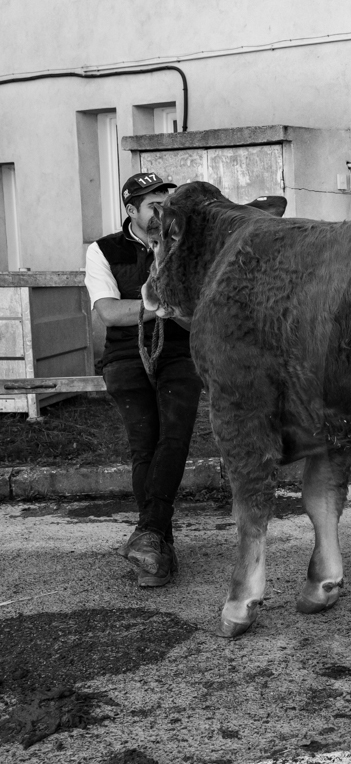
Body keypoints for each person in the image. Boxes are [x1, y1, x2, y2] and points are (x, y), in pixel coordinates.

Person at [85, 172, 202, 588]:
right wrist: (158, 305)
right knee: (144, 444)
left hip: (178, 351)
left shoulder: (185, 246)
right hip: (124, 354)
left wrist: (176, 310)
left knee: (174, 437)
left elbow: (194, 315)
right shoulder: (102, 251)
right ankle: (158, 542)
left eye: (165, 205)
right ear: (131, 210)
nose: (162, 213)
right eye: (153, 206)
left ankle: (150, 541)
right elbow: (110, 313)